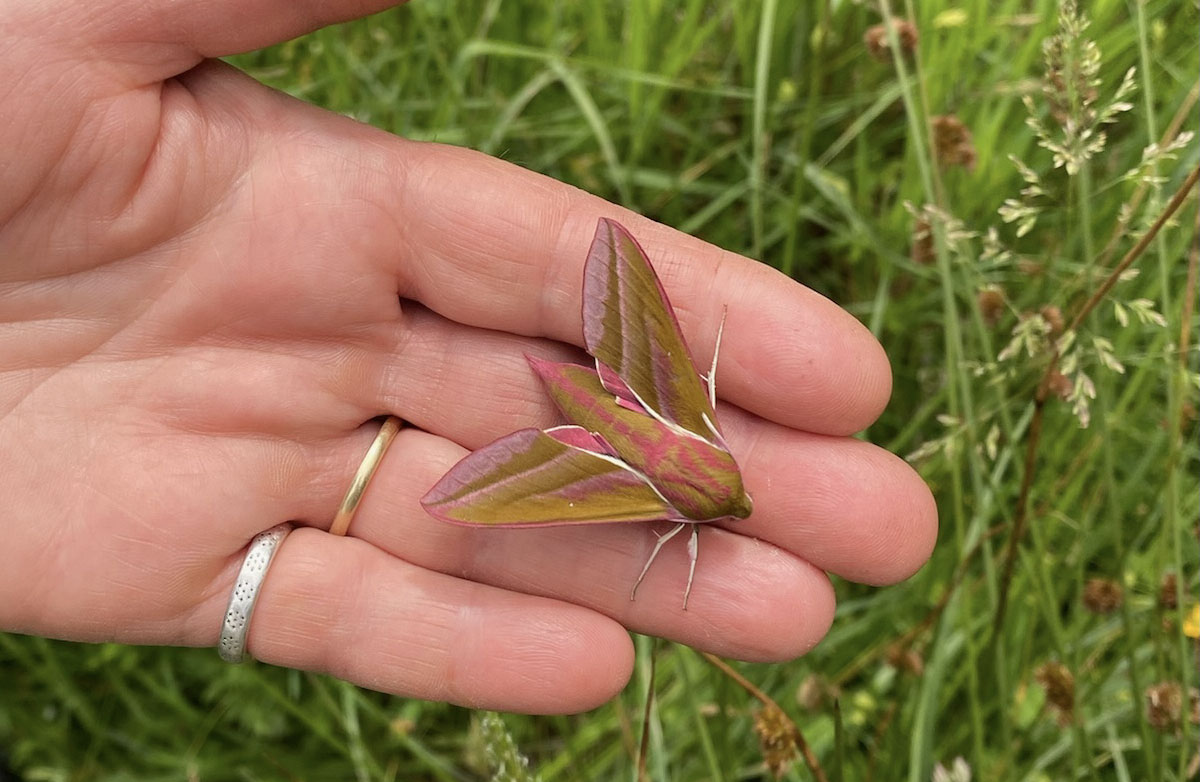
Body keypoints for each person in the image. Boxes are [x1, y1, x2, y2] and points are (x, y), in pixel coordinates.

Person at [0, 0, 937, 714]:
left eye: (723, 501)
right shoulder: (673, 503)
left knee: (536, 464)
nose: (729, 498)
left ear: (707, 488)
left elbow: (687, 360)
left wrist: (687, 394)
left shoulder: (694, 424)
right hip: (622, 439)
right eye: (728, 493)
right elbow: (677, 542)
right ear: (710, 483)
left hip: (644, 403)